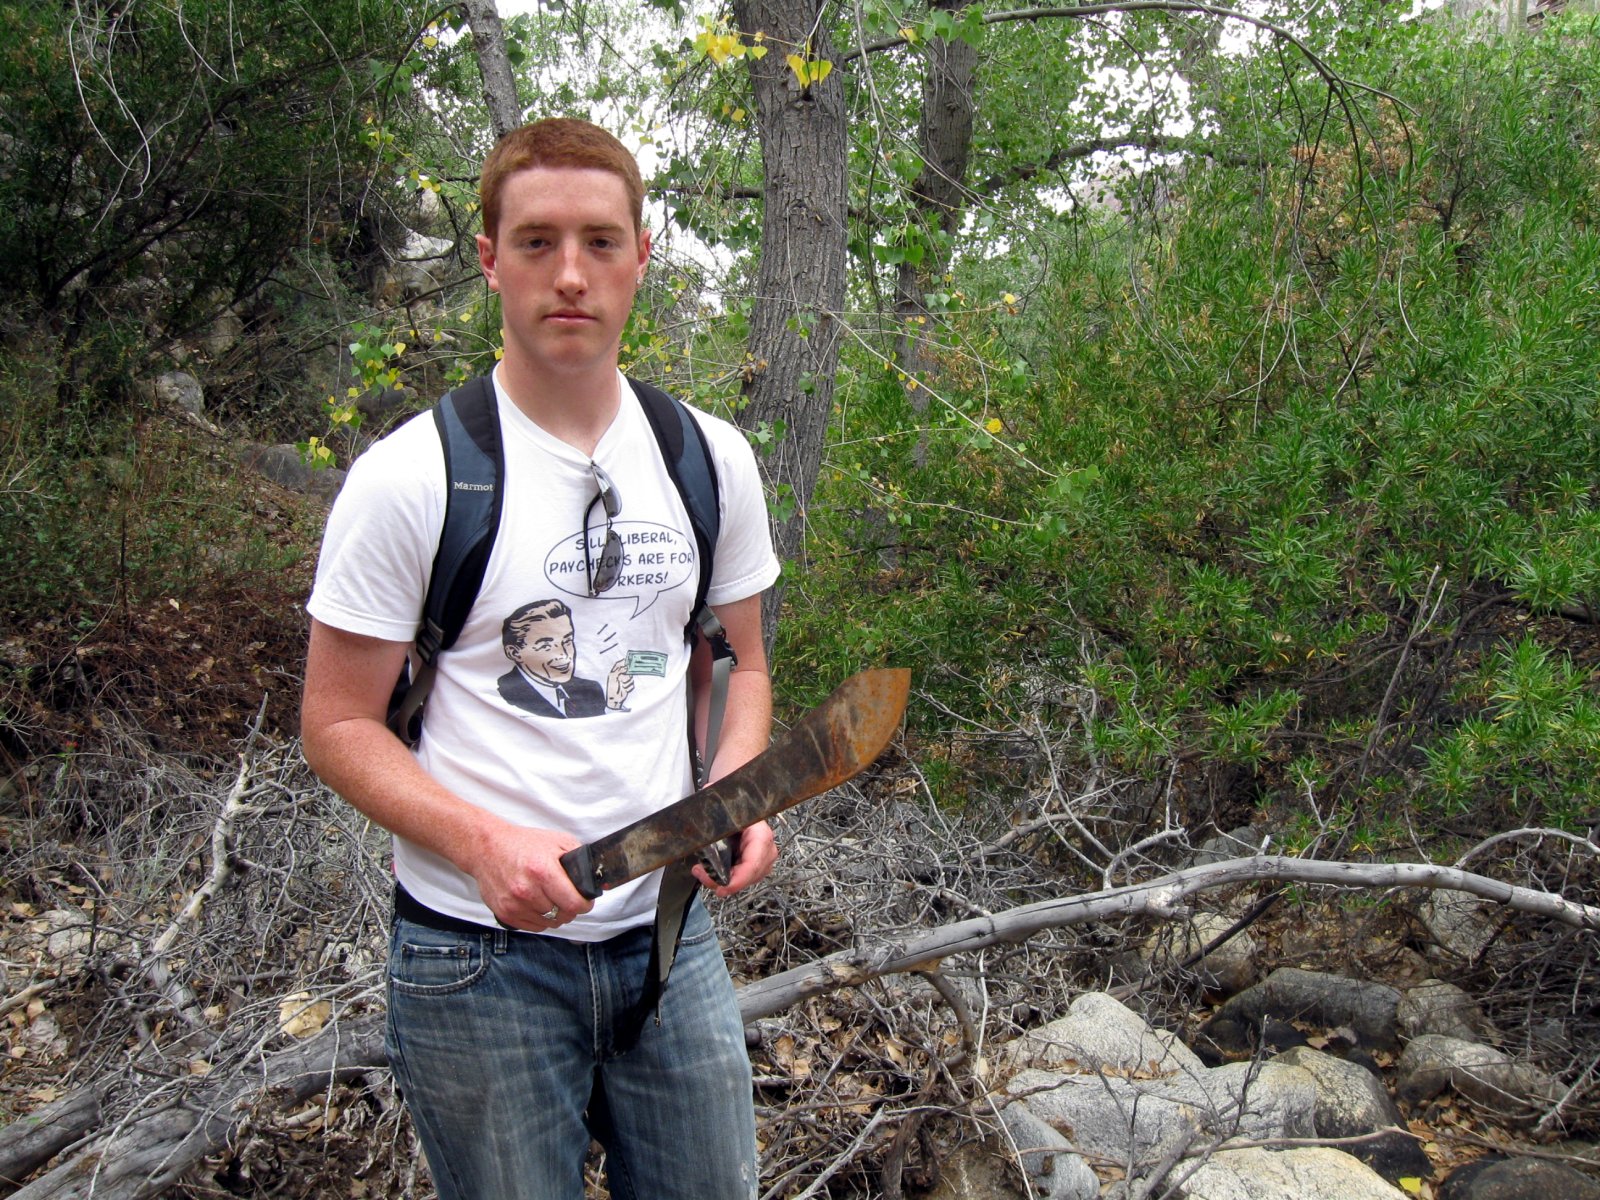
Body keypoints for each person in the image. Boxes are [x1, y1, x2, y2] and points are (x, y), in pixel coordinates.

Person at [300, 117, 780, 1200]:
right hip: (477, 958)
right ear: (488, 259)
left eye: (601, 242)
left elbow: (737, 666)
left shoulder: (709, 460)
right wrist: (478, 843)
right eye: (536, 242)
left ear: (642, 257)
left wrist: (738, 793)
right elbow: (334, 725)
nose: (571, 274)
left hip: (667, 932)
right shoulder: (410, 478)